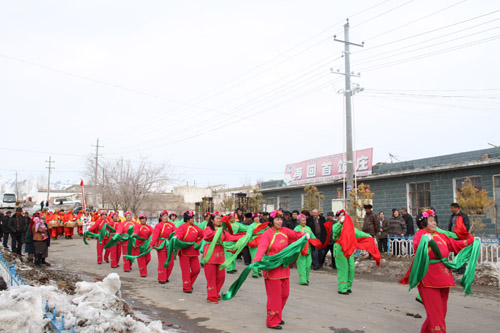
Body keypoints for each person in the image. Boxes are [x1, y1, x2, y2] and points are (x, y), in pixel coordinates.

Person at [409, 210, 474, 332]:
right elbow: (419, 244)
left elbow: (455, 245)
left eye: (435, 221)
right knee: (436, 316)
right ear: (423, 223)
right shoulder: (421, 234)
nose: (434, 223)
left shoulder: (440, 235)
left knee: (440, 314)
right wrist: (426, 241)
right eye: (431, 221)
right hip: (428, 278)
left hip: (444, 278)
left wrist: (472, 241)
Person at [253, 210, 306, 330]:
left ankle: (277, 314)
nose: (280, 221)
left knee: (284, 294)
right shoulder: (267, 234)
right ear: (271, 221)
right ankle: (272, 320)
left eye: (281, 219)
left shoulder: (285, 231)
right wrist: (256, 260)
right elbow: (262, 248)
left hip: (284, 268)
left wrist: (304, 236)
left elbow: (296, 235)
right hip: (272, 270)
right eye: (277, 219)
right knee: (275, 297)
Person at [333, 210, 380, 295]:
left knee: (351, 268)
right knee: (343, 269)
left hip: (349, 249)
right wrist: (341, 222)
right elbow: (335, 231)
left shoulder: (350, 227)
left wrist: (368, 236)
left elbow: (358, 233)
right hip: (340, 250)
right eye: (340, 215)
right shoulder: (336, 225)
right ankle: (342, 288)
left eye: (344, 215)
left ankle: (348, 286)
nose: (343, 217)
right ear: (337, 217)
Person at [202, 213, 243, 303]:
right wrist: (218, 231)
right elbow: (207, 236)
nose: (219, 220)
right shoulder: (208, 229)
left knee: (221, 277)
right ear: (212, 220)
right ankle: (211, 295)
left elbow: (230, 237)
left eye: (220, 218)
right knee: (211, 277)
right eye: (217, 218)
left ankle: (216, 292)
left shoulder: (222, 230)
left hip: (220, 255)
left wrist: (243, 237)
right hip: (210, 254)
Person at [176, 211, 204, 293]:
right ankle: (186, 287)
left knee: (197, 269)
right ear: (187, 219)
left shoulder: (196, 227)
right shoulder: (182, 227)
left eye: (193, 218)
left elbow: (203, 234)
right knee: (186, 271)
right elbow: (179, 235)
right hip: (184, 252)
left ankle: (188, 283)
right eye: (191, 218)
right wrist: (177, 238)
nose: (193, 219)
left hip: (194, 252)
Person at [151, 211, 177, 283]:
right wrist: (152, 244)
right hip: (161, 245)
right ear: (161, 218)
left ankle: (166, 276)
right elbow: (155, 236)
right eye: (164, 216)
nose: (166, 217)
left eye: (166, 216)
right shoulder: (158, 225)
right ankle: (161, 278)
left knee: (171, 263)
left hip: (169, 245)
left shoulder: (171, 225)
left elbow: (176, 232)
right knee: (162, 263)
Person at [448, 203, 470, 274]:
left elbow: (467, 226)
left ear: (457, 208)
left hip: (460, 237)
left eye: (453, 208)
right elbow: (450, 225)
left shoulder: (463, 216)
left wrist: (462, 233)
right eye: (451, 208)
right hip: (453, 237)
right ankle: (457, 267)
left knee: (461, 253)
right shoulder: (452, 216)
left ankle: (462, 269)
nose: (452, 209)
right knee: (456, 253)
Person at [293, 214, 315, 285]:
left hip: (308, 249)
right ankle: (303, 280)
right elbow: (294, 238)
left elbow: (313, 237)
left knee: (308, 265)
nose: (304, 222)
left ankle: (306, 278)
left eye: (305, 220)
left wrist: (316, 242)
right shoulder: (297, 228)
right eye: (302, 220)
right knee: (302, 265)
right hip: (301, 249)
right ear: (299, 221)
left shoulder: (308, 228)